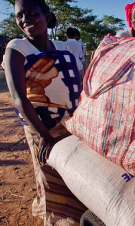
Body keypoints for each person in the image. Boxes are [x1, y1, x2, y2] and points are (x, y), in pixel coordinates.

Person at [3, 0, 87, 224]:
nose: (25, 19)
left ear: (47, 17)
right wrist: (43, 135)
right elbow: (20, 99)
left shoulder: (63, 47)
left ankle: (76, 218)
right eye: (20, 16)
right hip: (41, 129)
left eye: (32, 13)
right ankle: (54, 220)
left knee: (74, 175)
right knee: (50, 179)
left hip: (71, 127)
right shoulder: (17, 48)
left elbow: (77, 85)